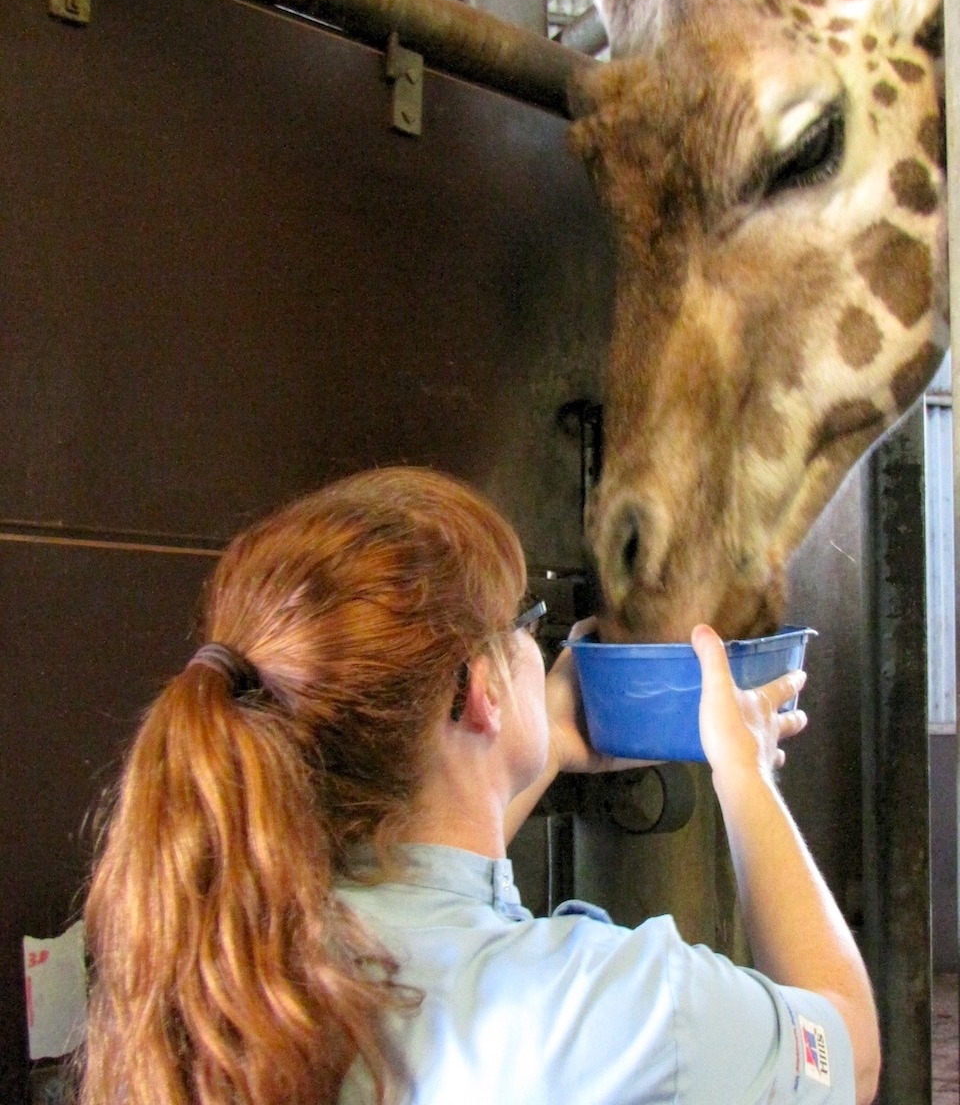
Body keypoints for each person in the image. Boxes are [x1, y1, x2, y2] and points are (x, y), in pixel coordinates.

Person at [78, 465, 880, 1105]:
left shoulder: (230, 950)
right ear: (477, 691)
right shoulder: (620, 1010)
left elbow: (431, 904)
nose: (538, 641)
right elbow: (849, 1052)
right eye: (524, 625)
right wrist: (744, 773)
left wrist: (541, 745)